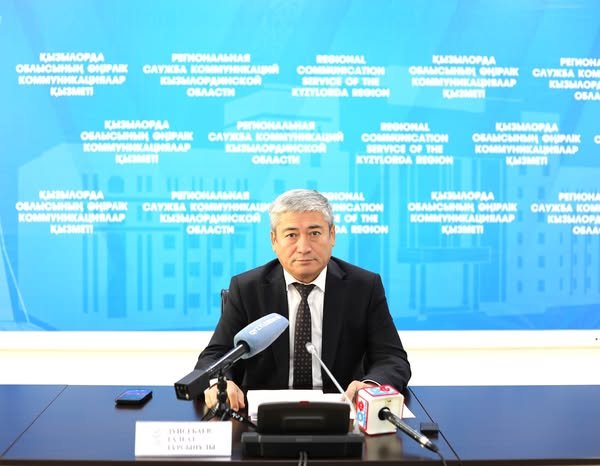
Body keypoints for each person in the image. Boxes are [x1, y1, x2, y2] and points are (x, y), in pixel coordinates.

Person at [195, 188, 411, 410]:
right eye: (291, 235)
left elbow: (391, 358)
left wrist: (371, 387)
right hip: (263, 416)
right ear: (274, 240)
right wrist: (220, 384)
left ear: (332, 235)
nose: (304, 248)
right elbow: (215, 355)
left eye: (314, 233)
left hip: (343, 413)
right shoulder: (247, 288)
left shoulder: (363, 287)